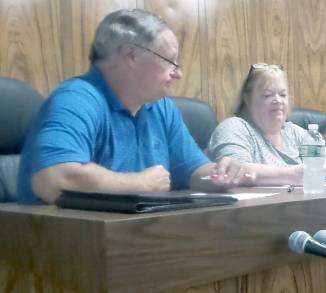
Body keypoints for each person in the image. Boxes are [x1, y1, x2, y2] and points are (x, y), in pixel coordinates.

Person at [17, 9, 250, 204]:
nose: (178, 74)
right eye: (170, 61)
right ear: (131, 55)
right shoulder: (76, 99)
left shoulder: (161, 107)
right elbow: (53, 180)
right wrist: (141, 183)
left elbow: (193, 171)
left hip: (141, 238)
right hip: (66, 247)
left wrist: (221, 174)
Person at [207, 63, 309, 186]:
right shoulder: (234, 127)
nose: (278, 100)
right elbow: (236, 172)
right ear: (248, 99)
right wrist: (292, 175)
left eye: (282, 94)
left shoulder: (294, 132)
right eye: (268, 95)